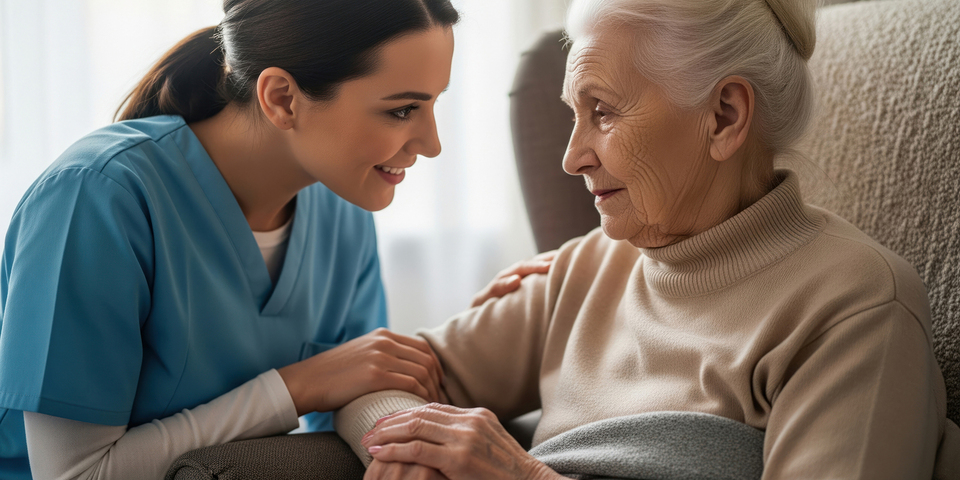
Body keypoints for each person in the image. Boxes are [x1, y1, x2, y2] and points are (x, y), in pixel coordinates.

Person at [339, 0, 960, 478]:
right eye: (572, 114)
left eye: (603, 111)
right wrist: (411, 445)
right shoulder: (584, 271)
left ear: (724, 117)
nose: (572, 157)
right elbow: (377, 378)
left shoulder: (854, 309)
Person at [0, 1, 551, 478]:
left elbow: (356, 386)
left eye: (434, 104)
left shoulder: (342, 202)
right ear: (282, 97)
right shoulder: (94, 198)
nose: (431, 144)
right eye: (402, 109)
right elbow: (74, 473)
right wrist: (296, 387)